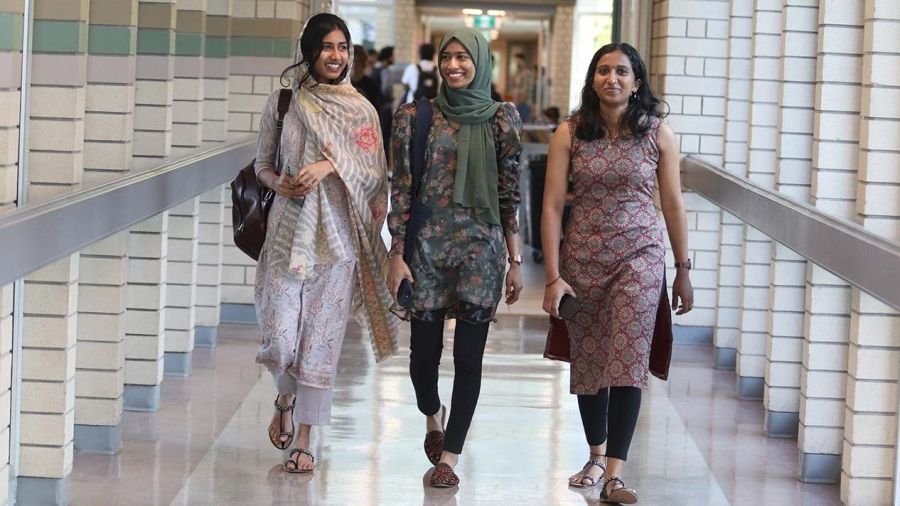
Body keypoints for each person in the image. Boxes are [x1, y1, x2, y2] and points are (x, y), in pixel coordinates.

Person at [541, 42, 694, 503]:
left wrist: (682, 269)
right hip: (583, 260)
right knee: (589, 365)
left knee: (627, 362)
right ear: (593, 80)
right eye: (604, 71)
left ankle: (615, 474)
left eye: (622, 72)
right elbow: (550, 206)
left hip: (641, 259)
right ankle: (594, 453)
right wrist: (552, 275)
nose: (613, 79)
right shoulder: (570, 133)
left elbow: (672, 203)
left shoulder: (657, 134)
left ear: (636, 82)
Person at [254, 12, 398, 474]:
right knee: (279, 337)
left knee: (320, 340)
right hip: (286, 234)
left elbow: (376, 175)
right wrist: (280, 183)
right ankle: (285, 393)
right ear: (310, 51)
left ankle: (307, 436)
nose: (336, 56)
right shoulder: (285, 104)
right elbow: (261, 165)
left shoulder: (362, 110)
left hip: (338, 241)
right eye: (327, 47)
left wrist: (330, 167)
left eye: (343, 48)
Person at [387, 27, 524, 488]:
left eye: (464, 57)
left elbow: (509, 193)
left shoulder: (502, 118)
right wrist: (395, 254)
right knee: (422, 360)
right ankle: (432, 412)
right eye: (448, 57)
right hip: (426, 250)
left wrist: (516, 259)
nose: (454, 65)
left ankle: (450, 455)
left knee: (468, 359)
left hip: (481, 254)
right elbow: (402, 189)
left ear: (481, 61)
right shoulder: (413, 116)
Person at [351, 43, 382, 108]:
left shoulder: (372, 86)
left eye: (357, 62)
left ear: (364, 63)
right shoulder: (339, 84)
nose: (353, 66)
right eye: (351, 61)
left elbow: (376, 110)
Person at [508, 53, 535, 122]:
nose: (517, 63)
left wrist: (521, 100)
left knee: (524, 125)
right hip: (516, 102)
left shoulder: (527, 73)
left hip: (524, 103)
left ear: (523, 61)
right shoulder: (516, 74)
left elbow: (527, 89)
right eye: (516, 61)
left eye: (519, 61)